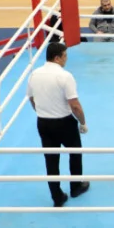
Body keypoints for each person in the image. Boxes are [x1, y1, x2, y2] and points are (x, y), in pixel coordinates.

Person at [26, 42, 90, 207]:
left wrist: (42, 112)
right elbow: (75, 105)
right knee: (75, 153)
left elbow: (32, 99)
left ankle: (57, 197)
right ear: (57, 58)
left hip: (43, 123)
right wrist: (82, 123)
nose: (66, 59)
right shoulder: (65, 76)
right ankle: (75, 187)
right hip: (64, 123)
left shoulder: (34, 74)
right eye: (65, 56)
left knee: (51, 160)